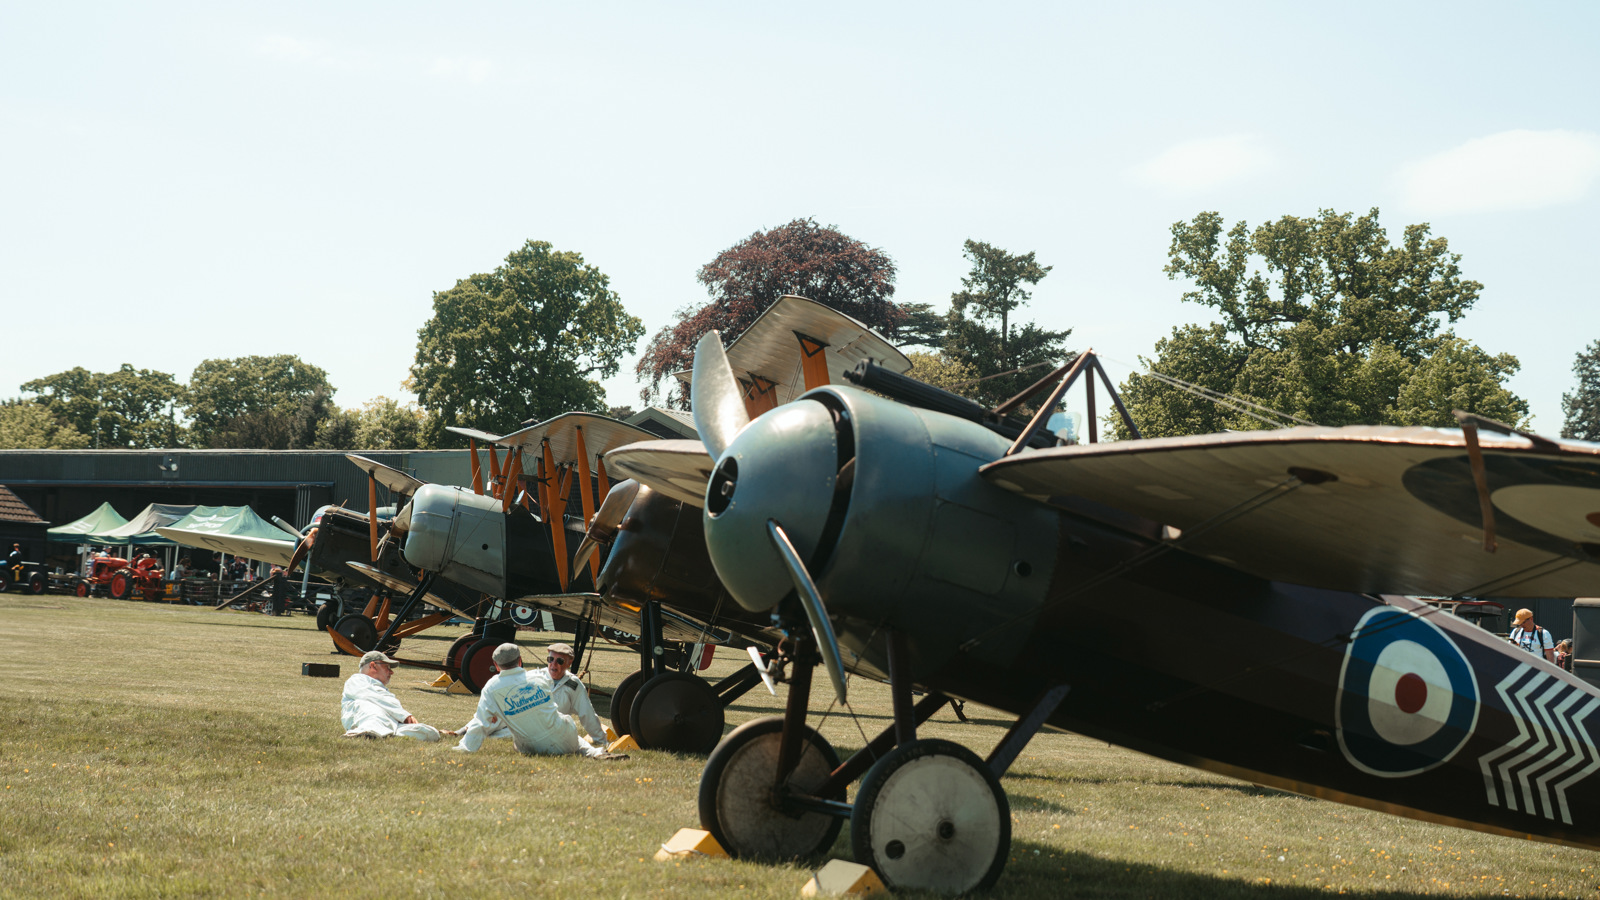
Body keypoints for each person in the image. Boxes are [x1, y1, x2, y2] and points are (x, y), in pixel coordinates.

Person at [451, 643, 622, 759]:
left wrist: (601, 739)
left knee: (498, 724)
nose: (554, 664)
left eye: (560, 661)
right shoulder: (538, 678)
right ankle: (596, 753)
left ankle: (598, 751)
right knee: (566, 731)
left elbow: (587, 714)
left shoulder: (570, 684)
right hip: (556, 732)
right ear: (519, 660)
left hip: (529, 740)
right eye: (550, 659)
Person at [340, 650, 441, 741]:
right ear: (373, 666)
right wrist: (405, 716)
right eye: (387, 667)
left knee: (429, 732)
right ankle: (363, 732)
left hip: (388, 724)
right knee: (372, 709)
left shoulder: (382, 690)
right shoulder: (356, 680)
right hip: (368, 719)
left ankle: (383, 734)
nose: (391, 672)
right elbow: (376, 697)